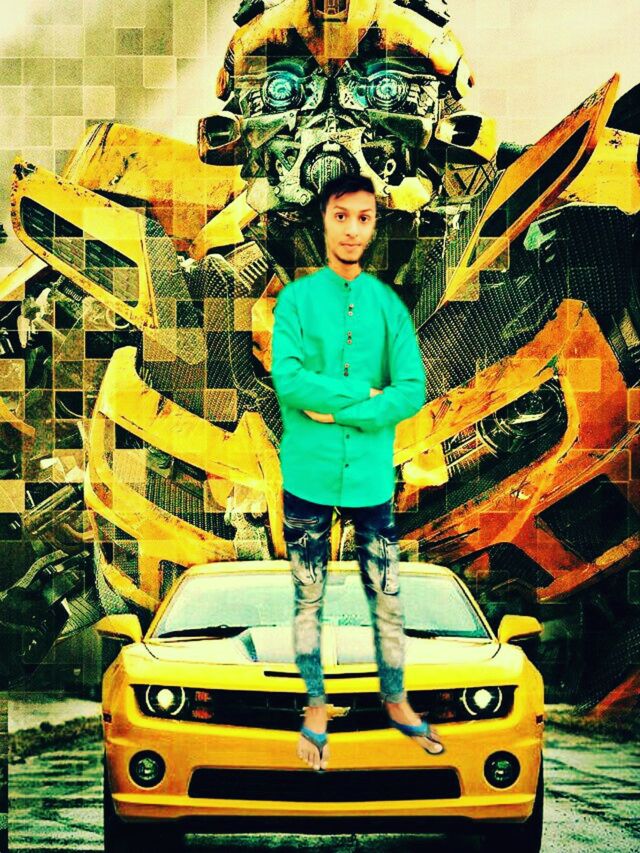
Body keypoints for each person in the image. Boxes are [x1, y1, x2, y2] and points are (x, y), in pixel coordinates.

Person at [271, 173, 445, 772]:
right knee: (308, 597)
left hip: (370, 479)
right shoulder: (296, 303)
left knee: (387, 595)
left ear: (374, 226)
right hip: (308, 478)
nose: (351, 229)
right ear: (323, 221)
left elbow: (412, 390)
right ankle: (315, 709)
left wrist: (339, 406)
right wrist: (366, 395)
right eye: (340, 216)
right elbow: (288, 381)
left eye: (363, 218)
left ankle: (396, 701)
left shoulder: (388, 308)